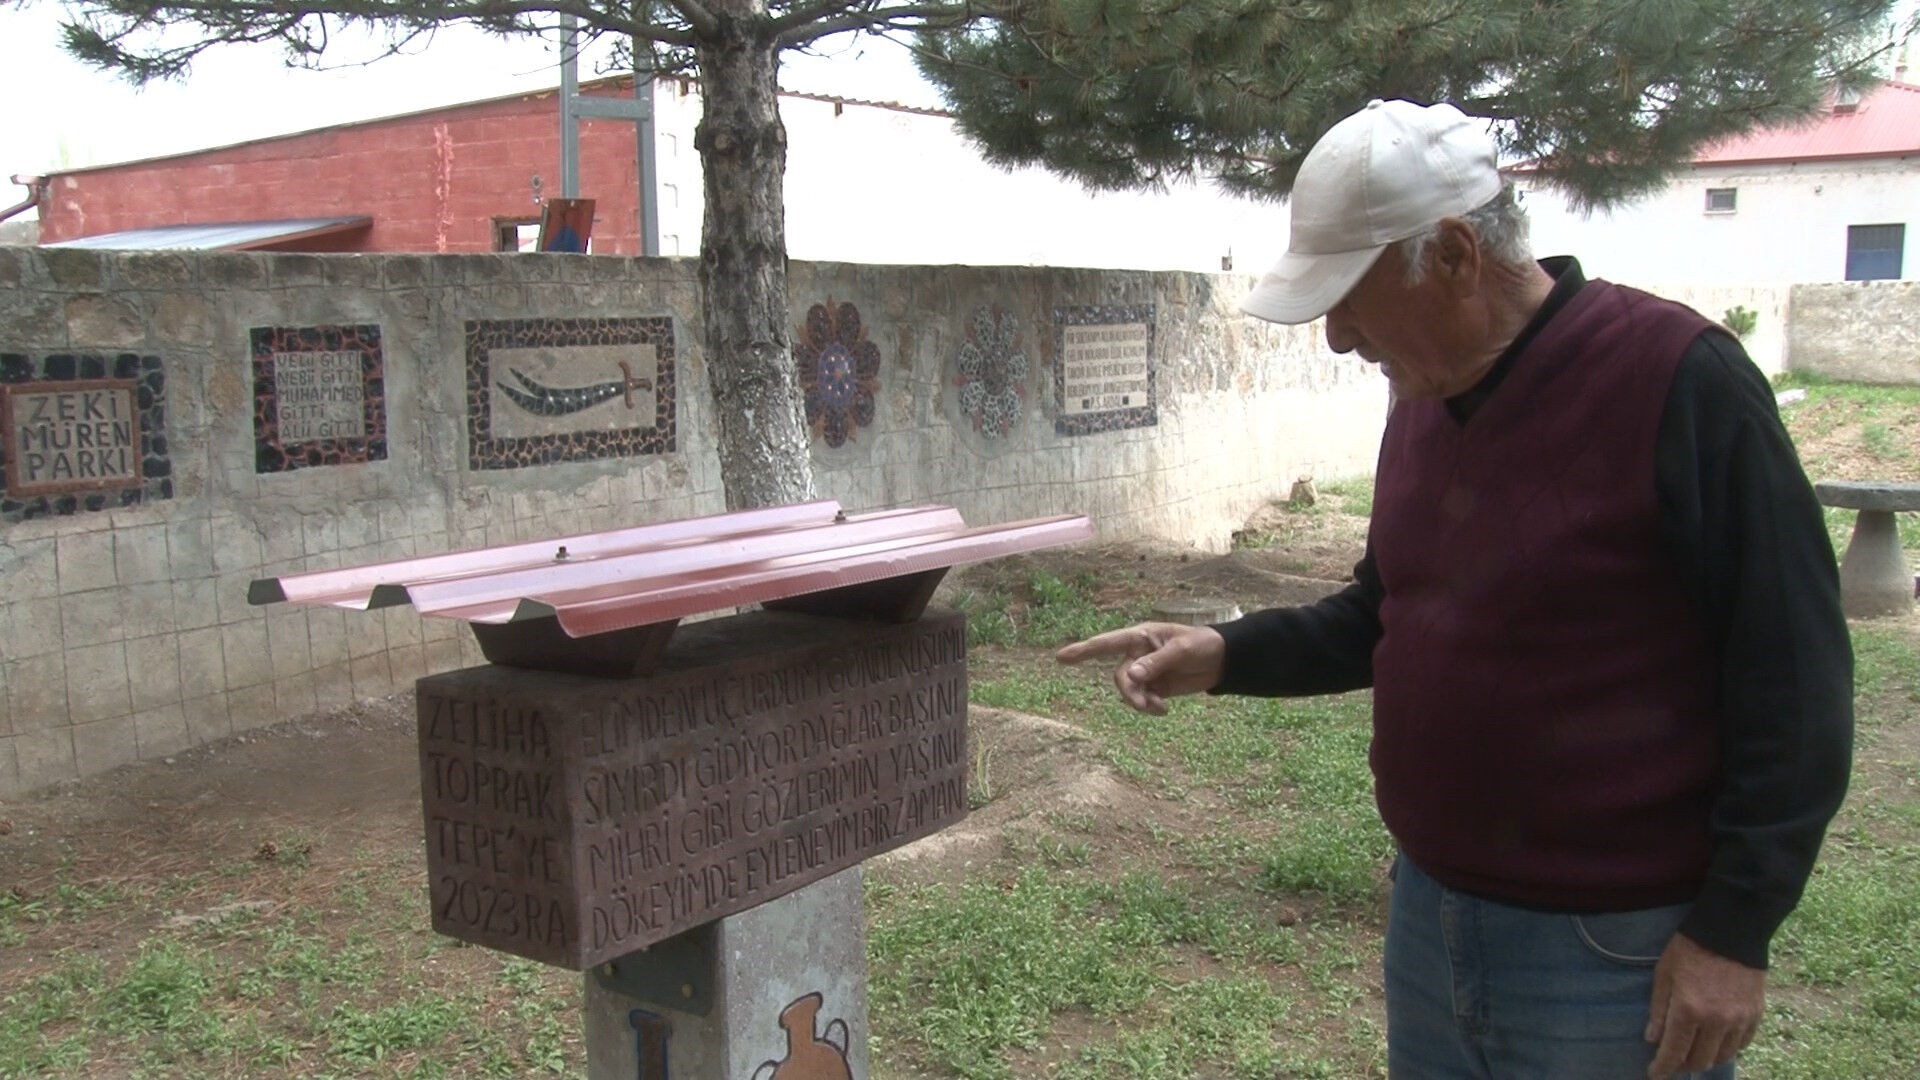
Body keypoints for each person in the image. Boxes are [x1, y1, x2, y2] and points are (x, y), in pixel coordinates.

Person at [1058, 99, 1852, 1080]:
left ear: (1457, 256)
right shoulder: (1425, 397)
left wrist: (1735, 929)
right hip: (1432, 923)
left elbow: (1797, 676)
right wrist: (1226, 653)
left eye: (1350, 296)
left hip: (1614, 957)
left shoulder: (1679, 381)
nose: (1339, 338)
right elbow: (1389, 611)